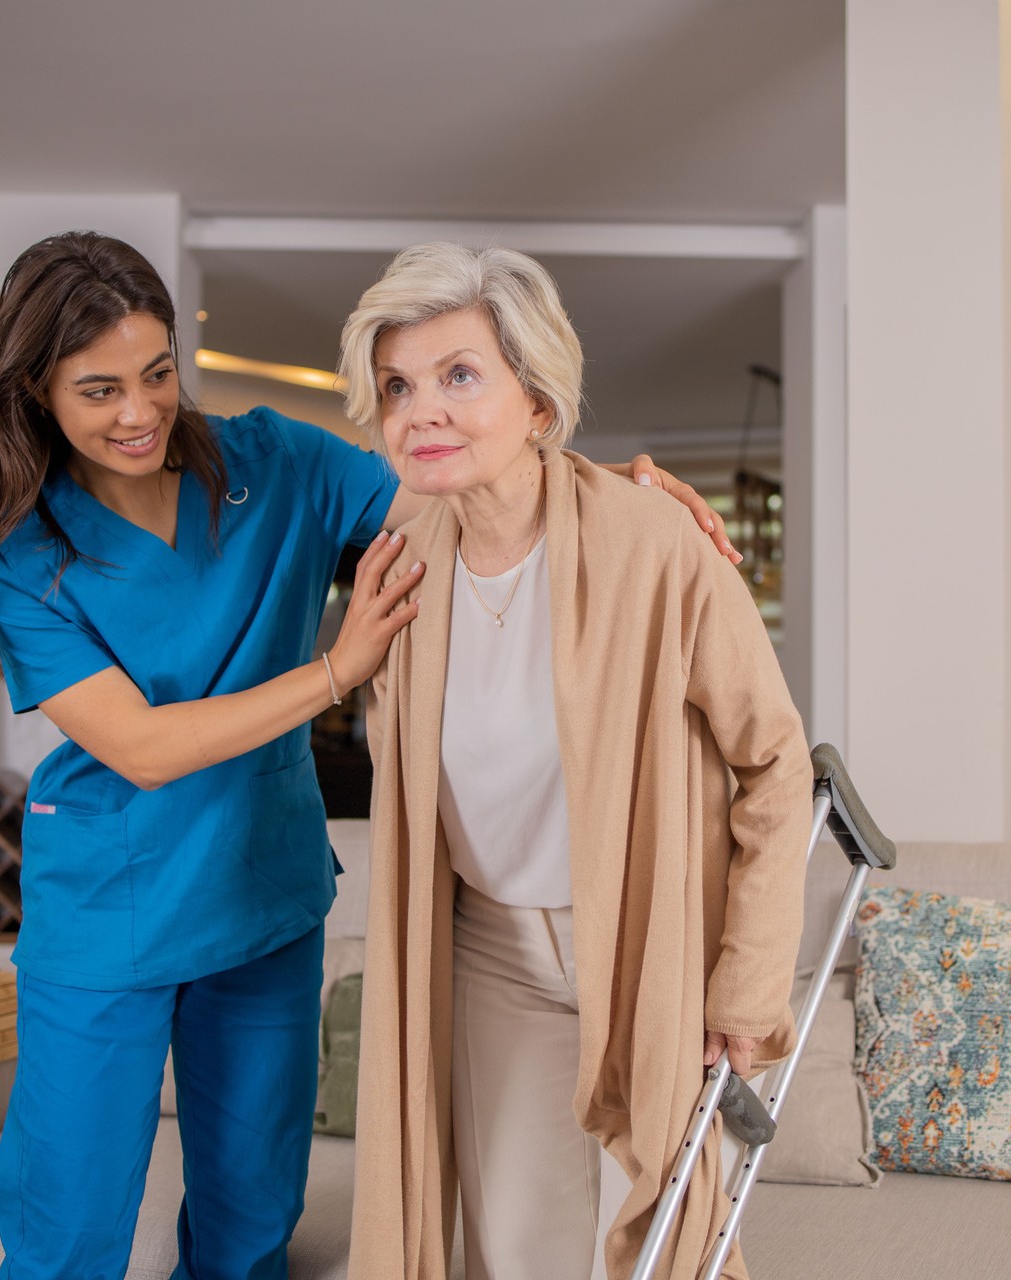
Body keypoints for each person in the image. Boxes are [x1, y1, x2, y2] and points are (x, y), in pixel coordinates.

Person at [0, 230, 737, 1280]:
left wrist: (617, 503)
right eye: (97, 391)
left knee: (249, 1219)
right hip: (107, 914)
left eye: (158, 373)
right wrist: (335, 668)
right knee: (68, 1233)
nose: (138, 412)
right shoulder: (21, 549)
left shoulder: (276, 462)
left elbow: (467, 494)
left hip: (260, 903)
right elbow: (137, 745)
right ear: (38, 394)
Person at [339, 242, 812, 1280]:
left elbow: (777, 764)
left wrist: (746, 983)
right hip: (492, 952)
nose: (422, 408)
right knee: (517, 1250)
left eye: (459, 375)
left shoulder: (656, 543)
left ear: (539, 403)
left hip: (645, 946)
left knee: (664, 1247)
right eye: (397, 386)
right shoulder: (402, 547)